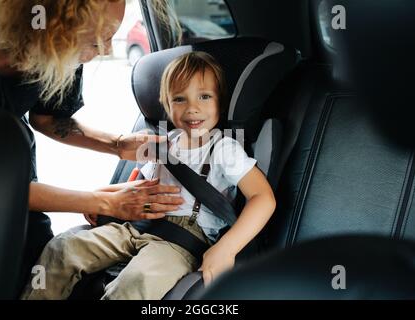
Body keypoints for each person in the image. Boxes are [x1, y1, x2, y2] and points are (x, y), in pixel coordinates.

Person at [0, 0, 184, 291]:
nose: (106, 50)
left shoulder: (58, 52)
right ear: (54, 25)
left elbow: (48, 119)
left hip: (18, 206)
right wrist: (105, 202)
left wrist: (117, 145)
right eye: (98, 39)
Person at [21, 51, 276, 300]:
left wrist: (226, 248)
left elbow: (263, 198)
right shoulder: (162, 142)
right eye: (179, 99)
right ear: (166, 104)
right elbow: (138, 187)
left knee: (138, 279)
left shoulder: (224, 148)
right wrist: (101, 198)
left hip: (179, 242)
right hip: (133, 227)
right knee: (63, 247)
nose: (192, 109)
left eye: (204, 97)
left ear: (220, 102)